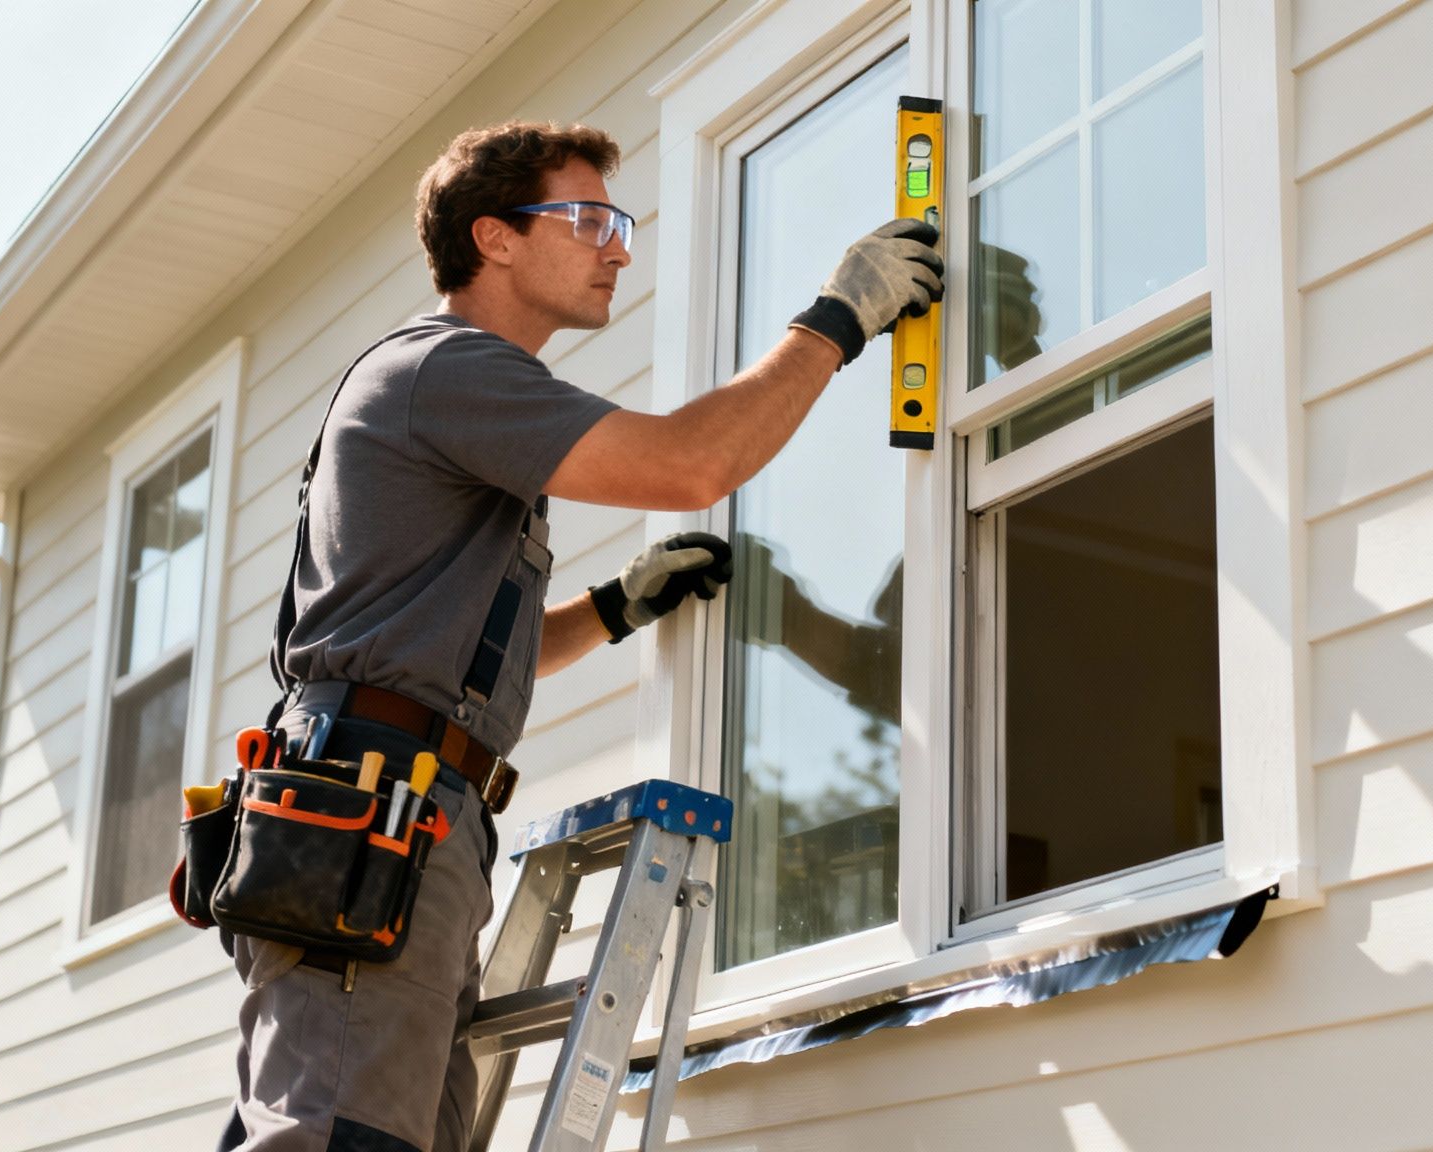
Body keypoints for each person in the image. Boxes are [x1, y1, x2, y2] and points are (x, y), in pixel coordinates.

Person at [219, 120, 943, 1152]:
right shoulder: (445, 370)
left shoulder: (446, 393)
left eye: (624, 224)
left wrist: (616, 609)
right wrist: (835, 319)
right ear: (495, 237)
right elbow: (688, 466)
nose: (618, 247)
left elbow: (440, 649)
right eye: (589, 218)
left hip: (407, 815)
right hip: (373, 819)